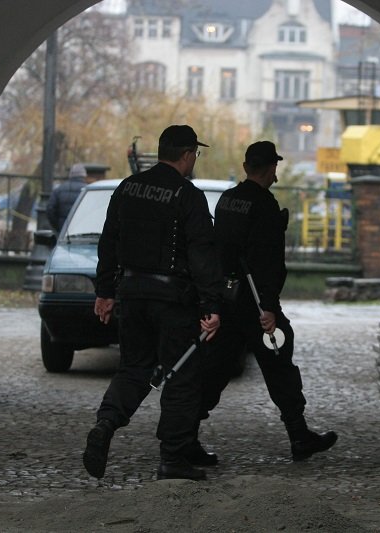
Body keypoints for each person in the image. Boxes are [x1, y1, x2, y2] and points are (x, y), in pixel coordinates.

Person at [83, 125, 222, 482]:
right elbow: (201, 253)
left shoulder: (127, 188)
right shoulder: (187, 195)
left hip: (131, 294)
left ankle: (106, 423)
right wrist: (211, 305)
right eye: (195, 154)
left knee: (133, 369)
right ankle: (173, 459)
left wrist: (105, 291)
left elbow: (108, 242)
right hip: (172, 301)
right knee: (180, 377)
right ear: (188, 155)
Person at [190, 140, 337, 467]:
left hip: (227, 298)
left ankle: (183, 436)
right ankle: (299, 435)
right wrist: (268, 306)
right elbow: (269, 262)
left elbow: (217, 250)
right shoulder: (265, 206)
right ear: (271, 168)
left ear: (245, 167)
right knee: (279, 361)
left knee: (215, 368)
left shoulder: (227, 200)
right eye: (274, 168)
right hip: (255, 304)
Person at [46, 163, 90, 233]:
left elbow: (50, 209)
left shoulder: (59, 190)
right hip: (83, 231)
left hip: (63, 230)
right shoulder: (88, 190)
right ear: (84, 175)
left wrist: (58, 226)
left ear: (70, 175)